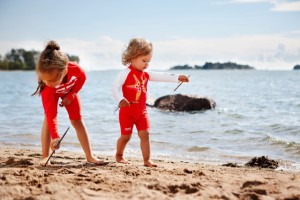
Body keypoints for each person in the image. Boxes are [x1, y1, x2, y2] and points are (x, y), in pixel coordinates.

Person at [112, 38, 189, 167]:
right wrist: (120, 100)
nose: (146, 64)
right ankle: (119, 155)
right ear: (132, 57)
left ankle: (146, 160)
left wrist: (177, 77)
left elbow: (162, 76)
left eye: (148, 61)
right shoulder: (125, 73)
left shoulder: (146, 73)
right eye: (144, 61)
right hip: (127, 112)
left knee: (145, 134)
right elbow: (115, 87)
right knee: (126, 137)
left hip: (142, 111)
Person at [32, 40, 107, 166]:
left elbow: (82, 79)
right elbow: (52, 116)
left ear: (65, 72)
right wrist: (56, 137)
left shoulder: (77, 71)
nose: (48, 84)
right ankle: (45, 156)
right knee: (48, 117)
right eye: (44, 80)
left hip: (69, 92)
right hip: (52, 96)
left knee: (78, 120)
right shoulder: (47, 88)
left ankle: (89, 156)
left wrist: (71, 95)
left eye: (52, 81)